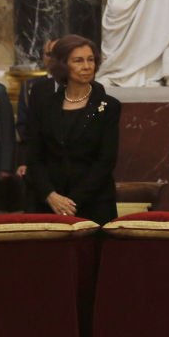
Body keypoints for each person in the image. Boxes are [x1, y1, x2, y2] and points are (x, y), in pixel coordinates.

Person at [26, 35, 121, 225]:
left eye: (90, 59)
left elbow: (105, 161)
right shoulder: (44, 105)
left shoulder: (108, 106)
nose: (87, 66)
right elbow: (34, 158)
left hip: (93, 205)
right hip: (49, 205)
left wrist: (71, 202)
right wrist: (51, 196)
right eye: (78, 60)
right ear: (62, 65)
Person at [15, 38, 58, 178]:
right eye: (48, 54)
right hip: (39, 160)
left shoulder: (81, 87)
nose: (52, 58)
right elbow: (24, 127)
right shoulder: (31, 88)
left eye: (57, 53)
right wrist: (24, 161)